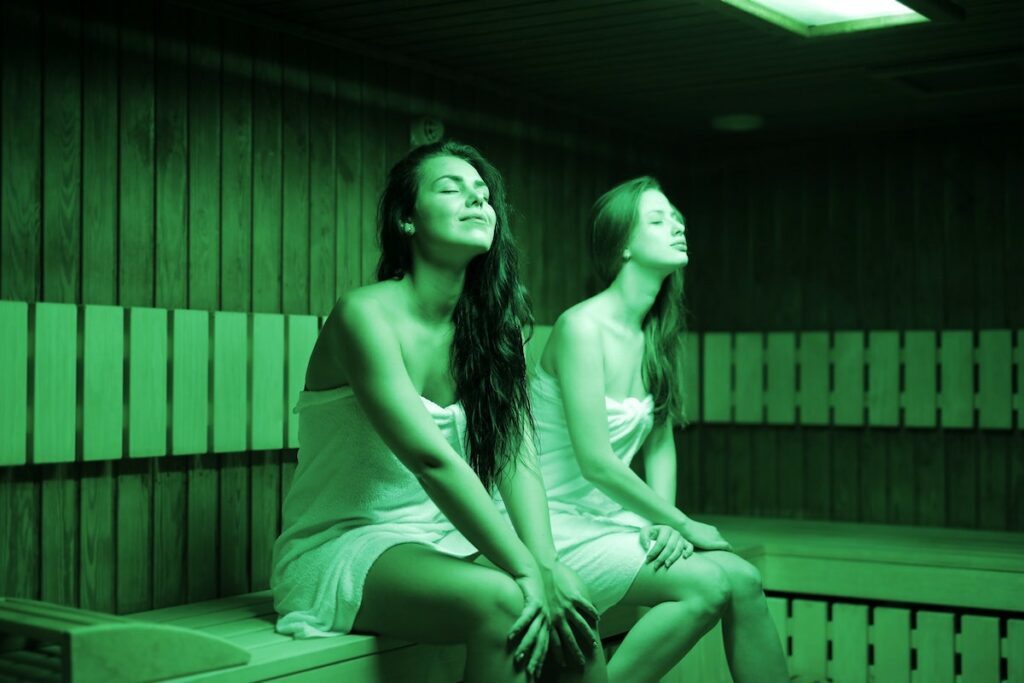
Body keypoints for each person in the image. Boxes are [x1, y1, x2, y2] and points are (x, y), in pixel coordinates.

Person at [270, 140, 604, 682]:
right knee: (509, 600)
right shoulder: (364, 314)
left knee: (575, 606)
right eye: (452, 189)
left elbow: (516, 458)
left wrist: (546, 563)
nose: (477, 201)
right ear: (406, 219)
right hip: (344, 544)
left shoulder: (497, 329)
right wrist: (526, 570)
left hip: (441, 539)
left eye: (484, 194)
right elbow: (431, 460)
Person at [530, 176, 789, 683]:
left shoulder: (657, 333)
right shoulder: (581, 327)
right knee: (710, 585)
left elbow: (661, 442)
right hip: (552, 522)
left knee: (744, 579)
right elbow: (597, 462)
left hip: (609, 515)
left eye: (678, 219)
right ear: (622, 245)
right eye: (658, 219)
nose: (677, 226)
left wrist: (668, 525)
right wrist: (684, 523)